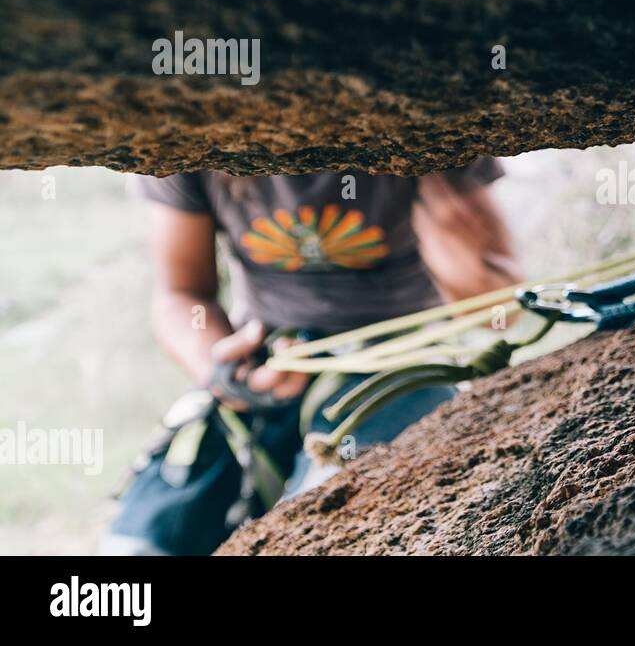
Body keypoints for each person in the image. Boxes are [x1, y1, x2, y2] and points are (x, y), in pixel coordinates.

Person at [102, 161, 520, 555]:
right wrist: (219, 367)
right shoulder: (191, 140)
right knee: (142, 541)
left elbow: (503, 310)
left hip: (401, 367)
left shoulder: (427, 137)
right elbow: (181, 295)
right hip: (267, 361)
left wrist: (462, 256)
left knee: (329, 515)